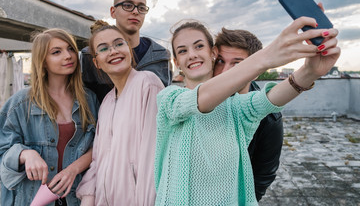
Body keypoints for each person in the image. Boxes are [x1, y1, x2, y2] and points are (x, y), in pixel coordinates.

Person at [154, 18, 340, 205]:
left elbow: (269, 99)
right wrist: (265, 58)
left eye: (199, 46)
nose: (192, 54)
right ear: (176, 62)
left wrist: (310, 72)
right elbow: (198, 100)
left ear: (212, 53)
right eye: (183, 50)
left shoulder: (237, 108)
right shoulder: (168, 99)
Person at [0, 28, 98, 206]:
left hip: (76, 198)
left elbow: (100, 146)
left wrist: (73, 170)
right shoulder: (20, 104)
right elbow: (2, 150)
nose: (68, 56)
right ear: (43, 62)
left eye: (70, 49)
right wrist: (25, 154)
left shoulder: (89, 99)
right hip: (31, 198)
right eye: (56, 52)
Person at [76, 20, 164, 205]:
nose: (113, 51)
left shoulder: (148, 83)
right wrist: (88, 197)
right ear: (96, 63)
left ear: (129, 50)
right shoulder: (107, 101)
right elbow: (98, 159)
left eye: (118, 44)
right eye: (103, 48)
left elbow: (153, 159)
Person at [214, 28, 283, 201]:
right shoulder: (200, 100)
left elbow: (263, 175)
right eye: (220, 61)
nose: (224, 72)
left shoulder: (268, 117)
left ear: (256, 71)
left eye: (237, 64)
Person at [81, 0, 172, 102]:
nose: (135, 11)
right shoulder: (89, 56)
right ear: (113, 12)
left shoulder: (161, 55)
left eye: (141, 7)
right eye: (128, 5)